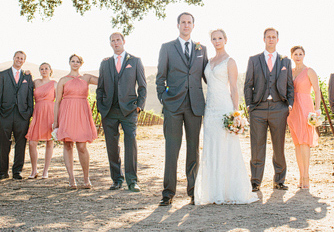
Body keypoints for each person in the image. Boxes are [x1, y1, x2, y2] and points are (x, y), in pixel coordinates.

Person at [194, 29, 258, 205]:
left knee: (227, 147)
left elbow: (235, 88)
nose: (217, 41)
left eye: (220, 38)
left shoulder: (230, 61)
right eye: (213, 39)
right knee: (211, 147)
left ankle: (229, 190)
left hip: (224, 108)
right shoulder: (209, 61)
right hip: (210, 110)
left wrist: (235, 112)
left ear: (226, 40)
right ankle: (213, 191)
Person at [156, 12, 209, 206]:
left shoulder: (201, 48)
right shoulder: (167, 47)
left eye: (189, 22)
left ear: (193, 26)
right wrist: (164, 98)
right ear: (177, 25)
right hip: (173, 106)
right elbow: (160, 76)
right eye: (183, 22)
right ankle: (168, 193)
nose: (186, 25)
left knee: (193, 150)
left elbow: (207, 76)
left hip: (195, 105)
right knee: (172, 149)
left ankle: (193, 191)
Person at [244, 27, 295, 192]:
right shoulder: (254, 60)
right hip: (258, 108)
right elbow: (248, 84)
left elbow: (289, 85)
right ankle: (255, 181)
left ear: (277, 40)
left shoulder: (285, 61)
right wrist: (249, 105)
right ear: (264, 39)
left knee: (278, 146)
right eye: (268, 37)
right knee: (257, 146)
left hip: (279, 108)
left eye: (274, 37)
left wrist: (289, 104)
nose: (271, 39)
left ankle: (279, 180)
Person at [96, 33, 147, 192]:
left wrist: (139, 105)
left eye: (118, 40)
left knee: (130, 143)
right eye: (113, 40)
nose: (116, 42)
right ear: (110, 43)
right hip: (109, 110)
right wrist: (100, 106)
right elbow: (100, 87)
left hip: (129, 110)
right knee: (112, 145)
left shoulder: (135, 61)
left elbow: (143, 86)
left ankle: (132, 181)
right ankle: (116, 179)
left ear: (123, 41)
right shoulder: (105, 63)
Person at [53, 54, 98, 189]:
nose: (75, 63)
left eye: (77, 61)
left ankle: (86, 178)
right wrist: (55, 121)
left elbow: (105, 80)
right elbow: (57, 102)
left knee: (82, 147)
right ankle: (71, 179)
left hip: (82, 114)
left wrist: (107, 62)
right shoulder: (63, 80)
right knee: (67, 145)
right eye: (73, 61)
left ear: (81, 63)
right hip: (66, 114)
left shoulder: (86, 78)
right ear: (69, 63)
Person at [0, 51, 35, 181]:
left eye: (22, 58)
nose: (19, 60)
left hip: (22, 115)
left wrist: (29, 112)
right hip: (4, 114)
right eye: (17, 57)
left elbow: (30, 96)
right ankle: (3, 172)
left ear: (24, 61)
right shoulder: (3, 74)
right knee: (4, 144)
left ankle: (17, 171)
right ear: (13, 58)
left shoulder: (27, 76)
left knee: (21, 143)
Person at [286, 45, 323, 189]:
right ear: (292, 56)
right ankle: (301, 176)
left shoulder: (309, 71)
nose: (298, 56)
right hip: (292, 109)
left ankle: (306, 176)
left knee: (305, 142)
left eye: (300, 54)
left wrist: (317, 109)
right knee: (297, 143)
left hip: (305, 107)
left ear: (304, 55)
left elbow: (317, 90)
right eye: (295, 54)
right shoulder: (290, 72)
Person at [26, 63, 56, 179]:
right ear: (39, 71)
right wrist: (27, 74)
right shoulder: (36, 82)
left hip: (50, 113)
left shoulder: (54, 83)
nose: (44, 70)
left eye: (46, 68)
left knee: (50, 141)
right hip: (38, 113)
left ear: (50, 70)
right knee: (32, 142)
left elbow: (59, 100)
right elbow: (25, 84)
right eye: (42, 69)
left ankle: (45, 171)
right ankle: (34, 170)